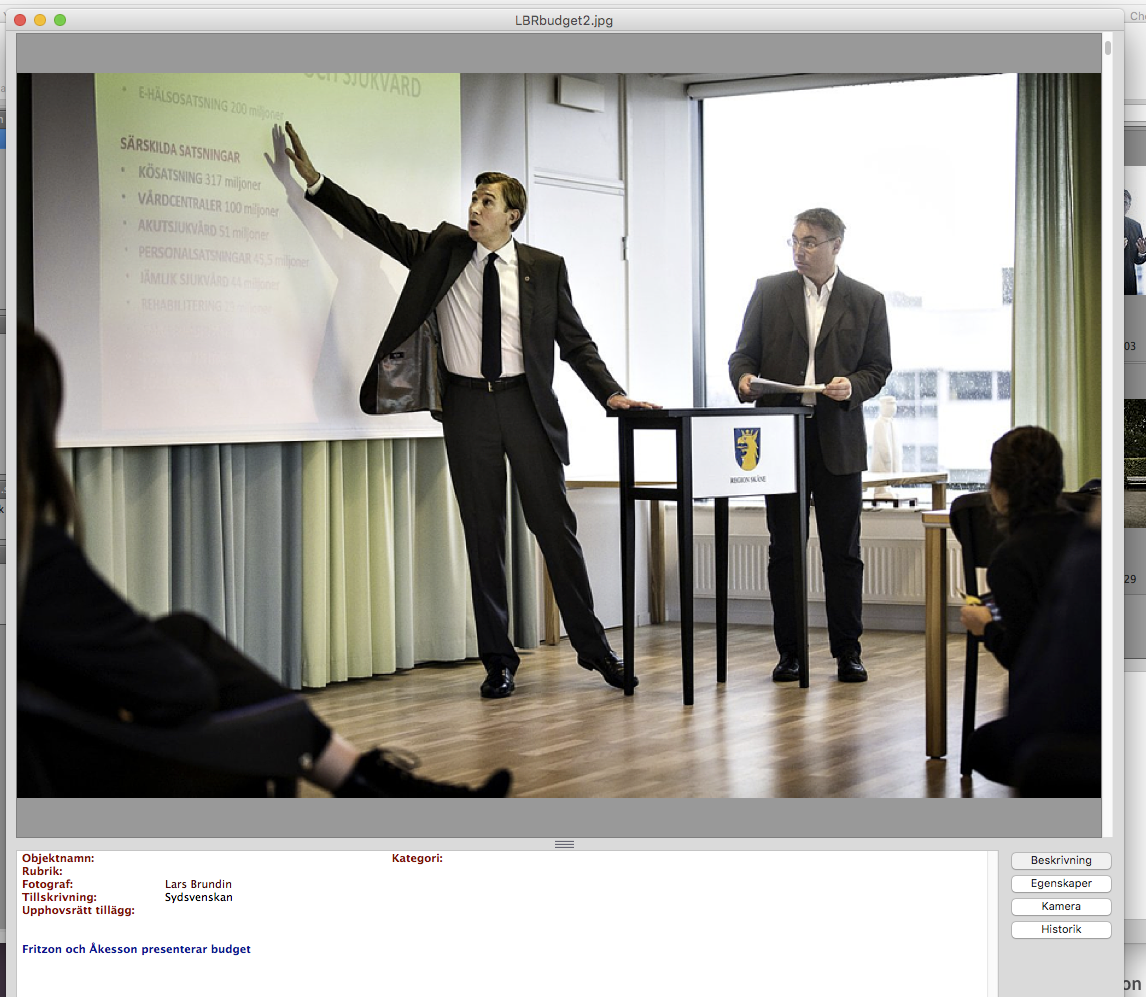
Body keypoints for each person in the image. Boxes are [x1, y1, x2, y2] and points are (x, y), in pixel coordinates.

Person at [17, 324, 511, 798]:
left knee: (187, 635)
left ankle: (366, 780)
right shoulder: (34, 557)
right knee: (238, 707)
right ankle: (371, 783)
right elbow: (183, 690)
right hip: (67, 772)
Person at [282, 122, 658, 700]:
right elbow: (376, 227)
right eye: (474, 199)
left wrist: (610, 392)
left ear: (512, 216)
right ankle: (498, 661)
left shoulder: (544, 268)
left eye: (487, 202)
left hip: (526, 407)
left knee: (556, 531)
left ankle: (594, 648)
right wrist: (317, 184)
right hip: (467, 409)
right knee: (484, 536)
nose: (475, 208)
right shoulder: (444, 250)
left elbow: (575, 342)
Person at [728, 208, 892, 683]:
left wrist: (852, 386)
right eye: (795, 241)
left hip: (838, 436)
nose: (800, 250)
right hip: (781, 436)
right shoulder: (769, 291)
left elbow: (878, 367)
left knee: (843, 552)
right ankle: (791, 653)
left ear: (836, 245)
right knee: (785, 550)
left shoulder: (867, 300)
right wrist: (743, 378)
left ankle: (848, 652)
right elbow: (743, 354)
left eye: (810, 242)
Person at [964, 491, 1099, 792]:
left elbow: (1022, 659)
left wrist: (987, 629)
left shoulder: (1085, 560)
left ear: (999, 495)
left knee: (985, 747)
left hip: (1078, 728)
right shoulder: (1085, 544)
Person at [959, 426, 1080, 671]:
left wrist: (986, 627)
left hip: (1057, 689)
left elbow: (1022, 657)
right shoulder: (1093, 534)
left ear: (998, 489)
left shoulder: (1011, 561)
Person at [1126, 189, 1146, 296]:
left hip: (1128, 281)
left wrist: (1142, 252)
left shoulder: (1136, 226)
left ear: (1129, 206)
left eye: (1124, 202)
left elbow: (1137, 260)